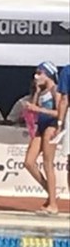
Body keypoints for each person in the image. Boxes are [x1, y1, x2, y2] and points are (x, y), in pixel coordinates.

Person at [22, 62, 60, 215]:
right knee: (29, 162)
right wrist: (36, 93)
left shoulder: (55, 90)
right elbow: (34, 107)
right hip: (41, 127)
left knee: (47, 164)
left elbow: (59, 112)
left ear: (48, 74)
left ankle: (53, 205)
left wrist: (38, 109)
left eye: (40, 73)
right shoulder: (42, 90)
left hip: (51, 127)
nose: (36, 76)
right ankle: (51, 194)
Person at [54, 64, 70, 193]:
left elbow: (64, 99)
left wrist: (59, 124)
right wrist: (59, 123)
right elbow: (63, 99)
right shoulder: (67, 71)